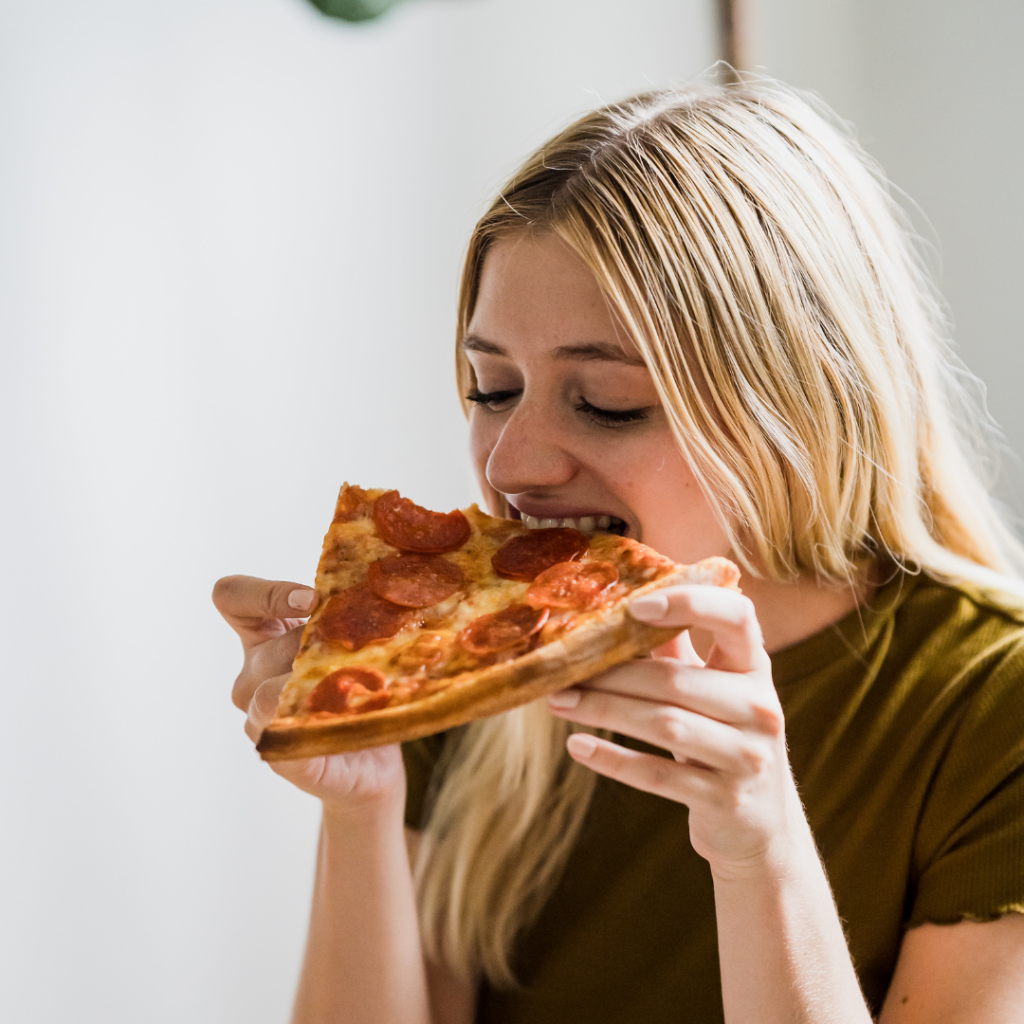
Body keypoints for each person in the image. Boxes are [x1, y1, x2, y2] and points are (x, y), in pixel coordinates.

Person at [214, 81, 1024, 1023]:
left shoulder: (992, 708)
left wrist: (760, 851)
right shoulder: (458, 657)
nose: (513, 463)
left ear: (796, 407)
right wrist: (359, 796)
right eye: (491, 386)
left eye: (606, 401)